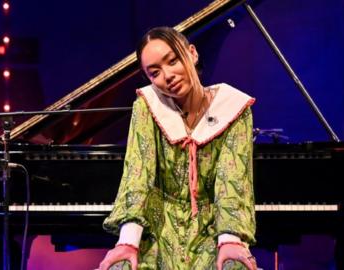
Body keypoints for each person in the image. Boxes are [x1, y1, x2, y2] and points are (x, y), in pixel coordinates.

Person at [96, 26, 257, 270]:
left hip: (212, 229)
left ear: (192, 53)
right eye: (155, 72)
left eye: (172, 61)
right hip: (157, 229)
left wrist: (230, 240)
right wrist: (127, 243)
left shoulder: (234, 108)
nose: (167, 75)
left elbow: (232, 180)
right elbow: (137, 175)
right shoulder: (147, 107)